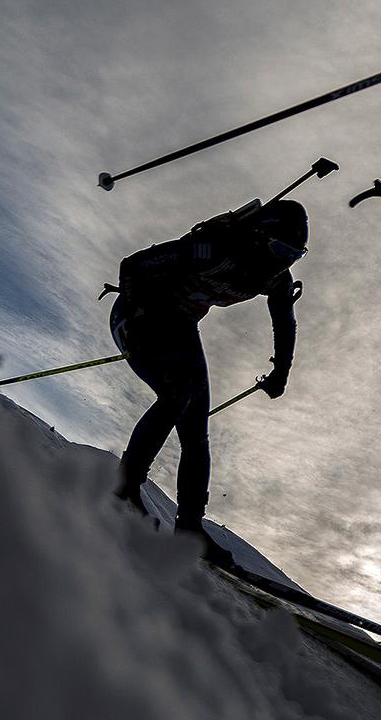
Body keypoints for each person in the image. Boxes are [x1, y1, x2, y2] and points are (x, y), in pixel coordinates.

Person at [107, 197, 307, 565]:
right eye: (281, 249)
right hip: (138, 318)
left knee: (196, 429)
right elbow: (134, 265)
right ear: (262, 237)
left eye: (296, 255)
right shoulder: (213, 248)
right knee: (176, 395)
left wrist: (282, 370)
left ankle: (189, 527)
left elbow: (284, 322)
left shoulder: (277, 277)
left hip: (181, 328)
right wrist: (137, 312)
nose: (285, 261)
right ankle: (124, 484)